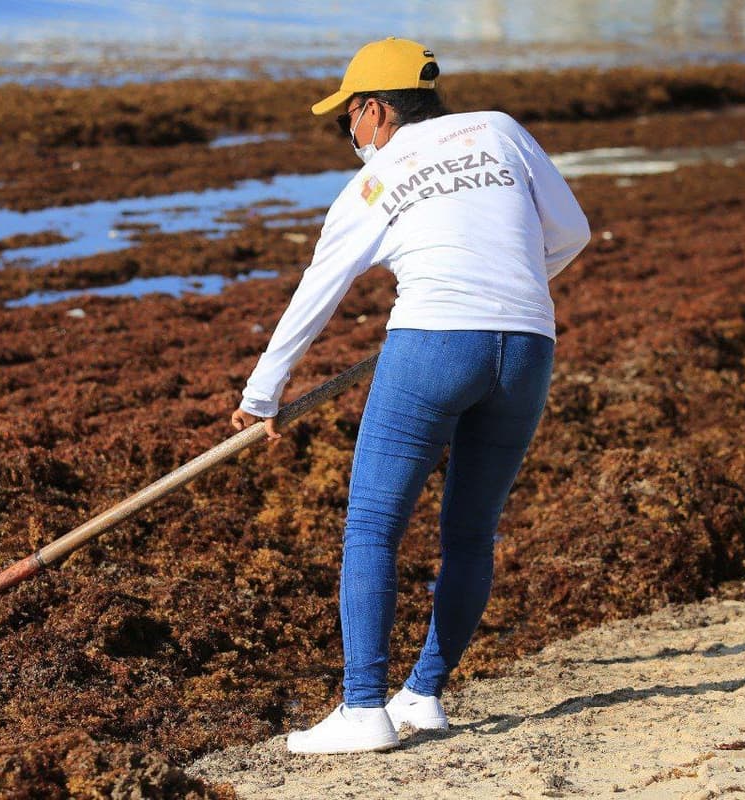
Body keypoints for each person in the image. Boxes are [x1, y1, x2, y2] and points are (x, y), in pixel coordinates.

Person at [229, 37, 590, 754]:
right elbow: (571, 233)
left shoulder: (373, 181)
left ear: (373, 112)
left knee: (372, 528)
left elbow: (317, 293)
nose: (350, 137)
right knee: (468, 533)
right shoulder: (500, 129)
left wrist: (263, 393)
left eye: (347, 124)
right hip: (527, 345)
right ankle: (423, 695)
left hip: (430, 343)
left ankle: (365, 708)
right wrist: (504, 288)